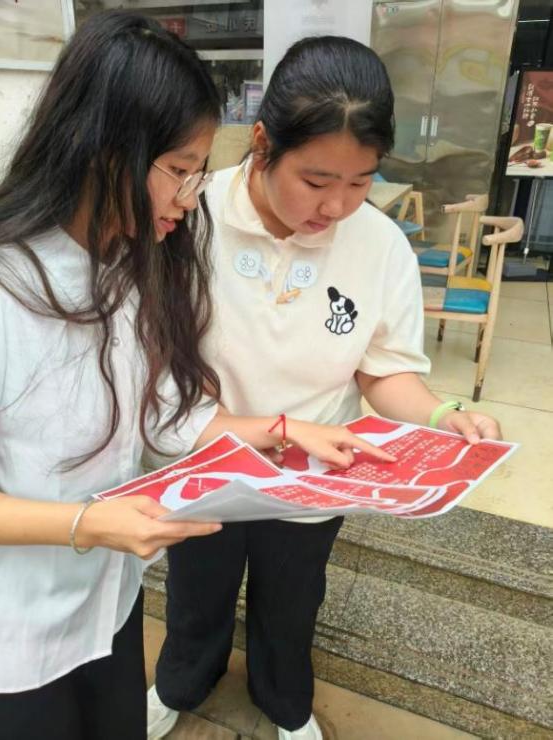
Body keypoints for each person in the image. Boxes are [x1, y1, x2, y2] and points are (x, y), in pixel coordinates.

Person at [0, 17, 391, 740]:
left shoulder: (125, 268)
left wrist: (285, 430)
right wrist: (85, 523)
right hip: (15, 637)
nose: (190, 197)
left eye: (199, 171)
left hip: (107, 604)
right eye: (179, 170)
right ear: (101, 150)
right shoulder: (10, 286)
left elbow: (165, 413)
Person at [149, 36, 502, 740]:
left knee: (292, 600)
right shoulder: (190, 217)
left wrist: (443, 414)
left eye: (360, 181)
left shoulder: (379, 246)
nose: (337, 205)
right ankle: (181, 684)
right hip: (207, 456)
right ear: (261, 144)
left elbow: (383, 370)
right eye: (314, 181)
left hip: (314, 470)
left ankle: (285, 703)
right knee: (196, 591)